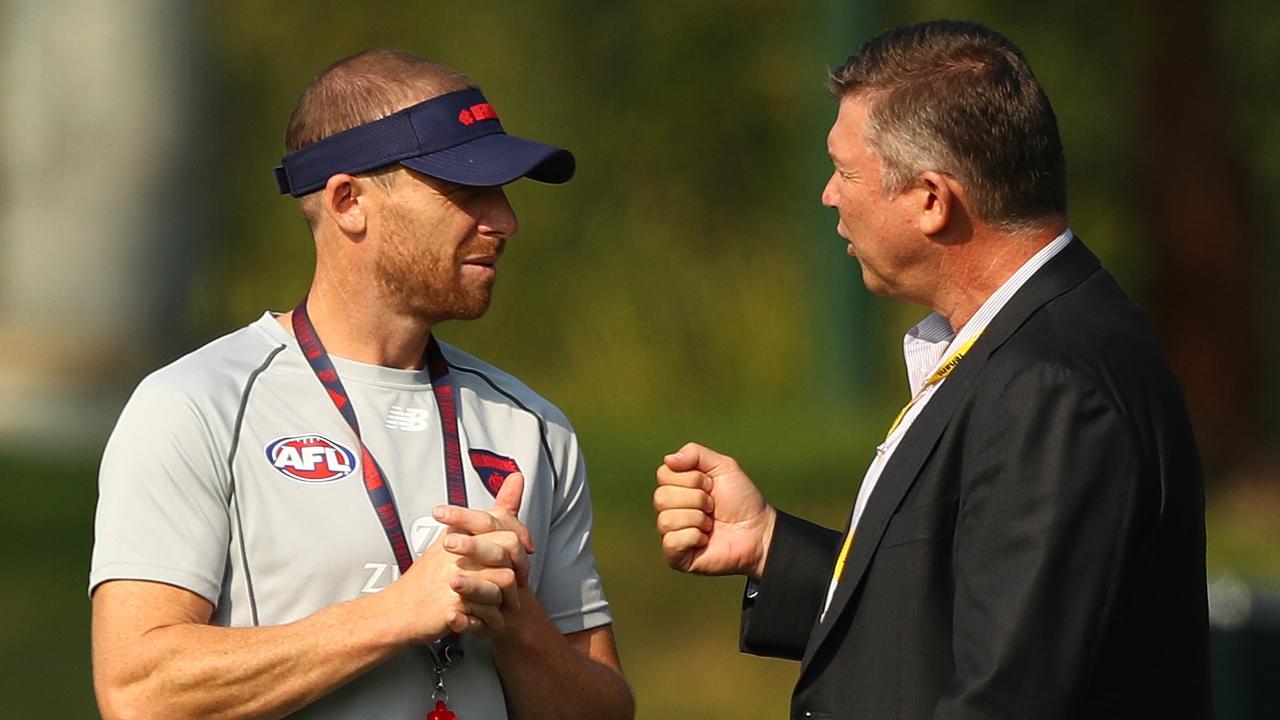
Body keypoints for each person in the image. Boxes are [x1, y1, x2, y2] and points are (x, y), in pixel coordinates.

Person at [653, 20, 1212, 719]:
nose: (829, 195)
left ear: (930, 199)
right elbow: (947, 620)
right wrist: (770, 545)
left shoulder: (1051, 386)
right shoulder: (1023, 345)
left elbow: (1009, 696)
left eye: (846, 172)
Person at [90, 50, 634, 720]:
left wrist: (517, 622)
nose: (504, 221)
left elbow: (603, 709)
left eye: (504, 192)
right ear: (350, 202)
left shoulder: (535, 428)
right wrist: (395, 615)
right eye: (467, 192)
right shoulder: (197, 405)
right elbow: (138, 693)